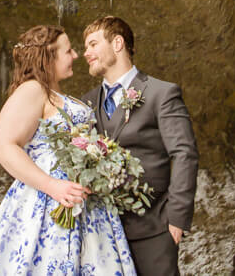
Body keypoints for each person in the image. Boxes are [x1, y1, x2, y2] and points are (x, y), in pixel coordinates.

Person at [0, 25, 136, 275]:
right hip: (49, 202)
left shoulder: (55, 94)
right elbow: (3, 147)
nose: (76, 55)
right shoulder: (32, 90)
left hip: (83, 203)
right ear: (48, 57)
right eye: (68, 51)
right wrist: (53, 186)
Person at [81, 16, 198, 276]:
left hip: (154, 229)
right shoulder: (85, 103)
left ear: (118, 43)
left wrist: (176, 217)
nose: (85, 53)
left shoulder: (161, 93)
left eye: (92, 44)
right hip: (102, 233)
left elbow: (184, 154)